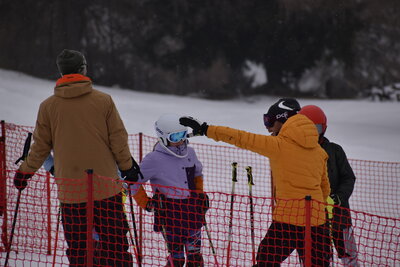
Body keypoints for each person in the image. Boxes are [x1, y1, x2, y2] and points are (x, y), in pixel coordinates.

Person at [13, 49, 141, 266]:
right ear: (83, 69)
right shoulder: (104, 101)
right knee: (116, 247)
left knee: (80, 248)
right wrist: (128, 168)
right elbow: (118, 140)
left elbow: (40, 148)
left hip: (71, 191)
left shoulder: (48, 107)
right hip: (107, 188)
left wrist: (25, 172)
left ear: (62, 73)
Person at [180, 98, 332, 266]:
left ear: (282, 120)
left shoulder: (278, 145)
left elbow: (240, 138)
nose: (269, 129)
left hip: (288, 221)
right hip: (317, 221)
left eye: (270, 123)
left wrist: (206, 130)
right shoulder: (319, 151)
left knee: (265, 261)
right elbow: (325, 189)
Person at [128, 113, 208, 267]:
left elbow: (198, 174)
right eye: (175, 137)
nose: (181, 141)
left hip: (192, 210)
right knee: (177, 258)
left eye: (183, 135)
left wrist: (199, 194)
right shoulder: (154, 159)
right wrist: (147, 203)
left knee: (195, 257)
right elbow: (133, 182)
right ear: (163, 137)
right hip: (170, 214)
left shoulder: (190, 153)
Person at [299, 105, 359, 266]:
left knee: (348, 255)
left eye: (316, 128)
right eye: (307, 127)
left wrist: (338, 198)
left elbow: (348, 178)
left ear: (323, 128)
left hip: (339, 217)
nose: (312, 132)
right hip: (312, 218)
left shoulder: (335, 151)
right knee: (318, 258)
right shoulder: (299, 152)